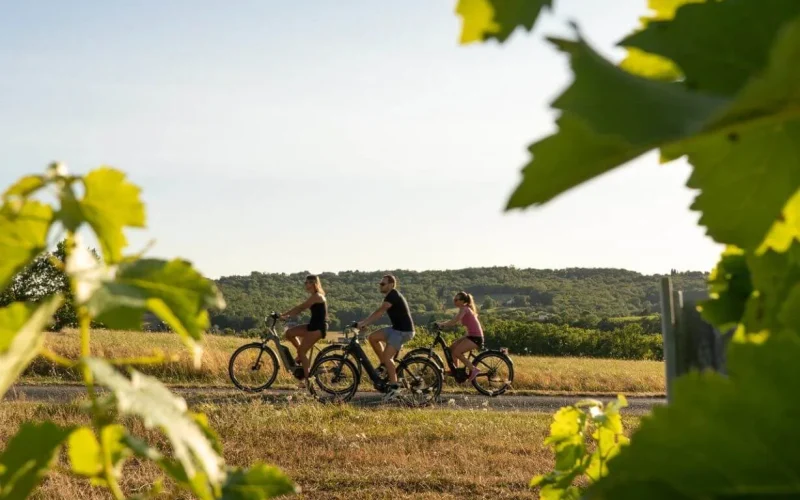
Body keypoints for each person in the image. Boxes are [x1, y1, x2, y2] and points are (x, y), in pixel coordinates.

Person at [356, 274, 415, 400]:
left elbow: (380, 311)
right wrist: (365, 323)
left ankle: (395, 388)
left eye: (383, 284)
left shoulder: (393, 295)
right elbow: (379, 313)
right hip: (396, 329)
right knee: (372, 337)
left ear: (391, 285)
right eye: (380, 284)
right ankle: (383, 366)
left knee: (388, 357)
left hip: (403, 331)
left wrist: (364, 323)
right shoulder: (390, 296)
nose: (380, 286)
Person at [280, 275, 328, 380]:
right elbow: (299, 308)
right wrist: (283, 315)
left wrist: (285, 315)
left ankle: (308, 380)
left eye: (307, 283)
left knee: (302, 352)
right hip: (312, 325)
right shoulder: (314, 295)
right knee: (289, 333)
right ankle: (301, 356)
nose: (305, 285)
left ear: (313, 283)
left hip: (318, 328)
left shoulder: (317, 296)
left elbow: (301, 307)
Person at [437, 291, 483, 382]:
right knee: (452, 348)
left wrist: (441, 324)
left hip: (476, 337)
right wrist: (443, 324)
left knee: (457, 352)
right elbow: (454, 321)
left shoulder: (464, 309)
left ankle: (474, 369)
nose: (454, 301)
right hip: (470, 335)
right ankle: (455, 370)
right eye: (454, 299)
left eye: (456, 299)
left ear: (462, 301)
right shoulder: (463, 309)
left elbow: (454, 321)